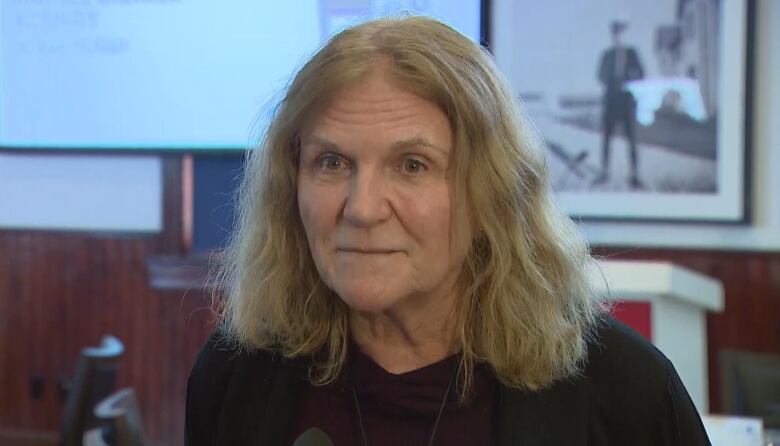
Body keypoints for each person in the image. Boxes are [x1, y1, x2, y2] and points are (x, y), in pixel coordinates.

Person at [186, 16, 710, 445]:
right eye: (331, 163)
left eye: (412, 165)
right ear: (290, 186)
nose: (363, 209)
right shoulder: (235, 377)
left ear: (490, 193)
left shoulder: (627, 393)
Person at [593, 20, 645, 189]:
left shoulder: (632, 53)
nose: (618, 36)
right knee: (606, 138)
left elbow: (641, 74)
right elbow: (599, 75)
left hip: (627, 101)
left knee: (631, 138)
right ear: (612, 35)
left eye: (621, 33)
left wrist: (628, 81)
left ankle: (635, 175)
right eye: (615, 33)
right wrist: (611, 82)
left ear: (625, 34)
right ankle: (604, 172)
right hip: (610, 100)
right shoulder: (606, 54)